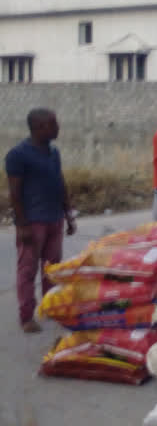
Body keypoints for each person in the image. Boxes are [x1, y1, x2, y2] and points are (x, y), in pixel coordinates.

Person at [5, 109, 77, 333]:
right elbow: (15, 193)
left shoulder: (53, 153)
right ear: (38, 127)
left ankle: (50, 308)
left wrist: (68, 214)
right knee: (27, 271)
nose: (58, 128)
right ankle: (26, 317)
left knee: (52, 269)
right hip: (32, 222)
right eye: (53, 124)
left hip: (54, 218)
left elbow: (60, 182)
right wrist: (22, 224)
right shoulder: (18, 155)